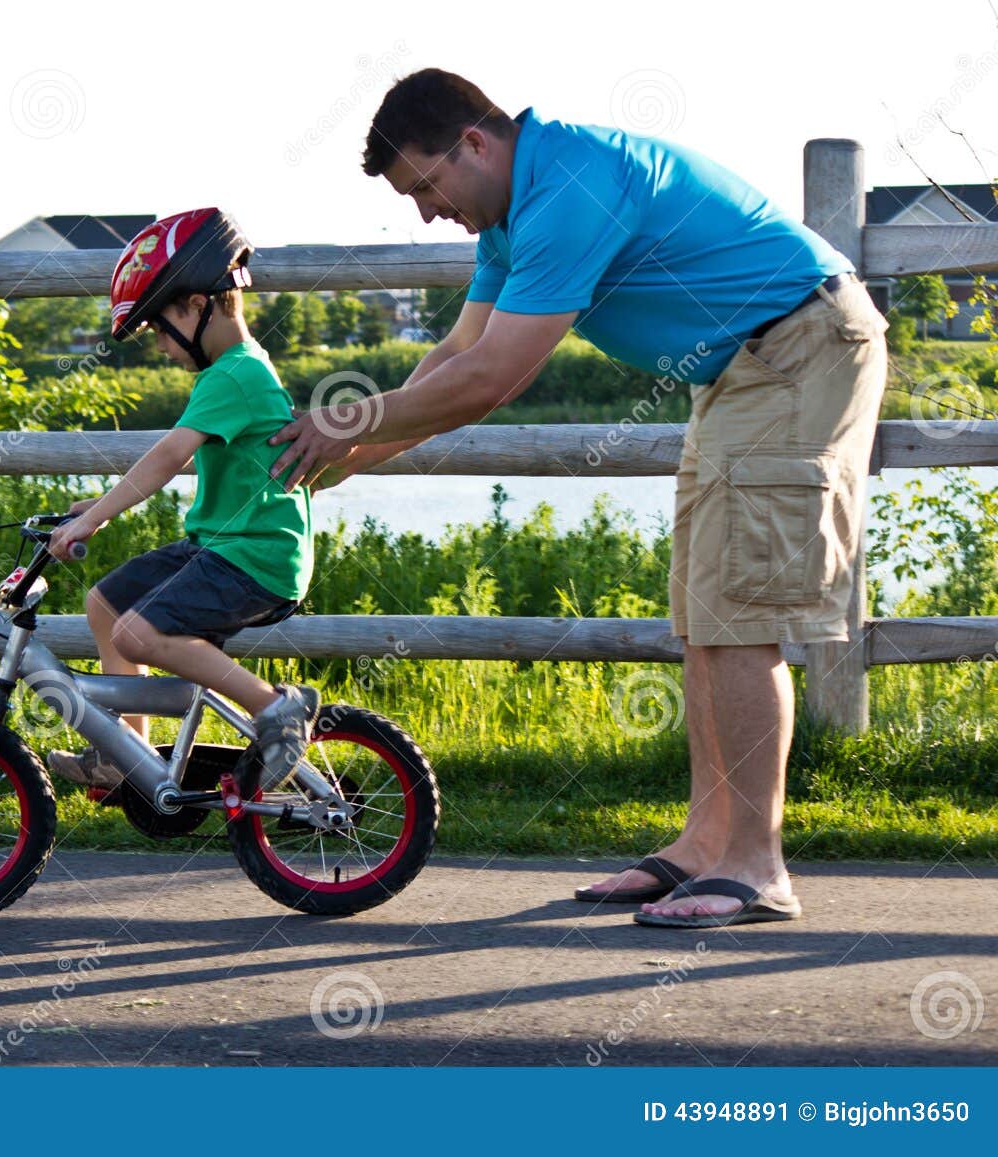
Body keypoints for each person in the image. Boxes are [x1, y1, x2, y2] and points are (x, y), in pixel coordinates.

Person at [268, 70, 887, 928]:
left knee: (740, 616)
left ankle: (759, 864)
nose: (424, 212)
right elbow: (455, 355)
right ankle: (704, 846)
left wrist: (349, 423)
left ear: (474, 143)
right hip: (740, 368)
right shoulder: (511, 213)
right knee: (702, 614)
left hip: (799, 348)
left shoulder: (570, 187)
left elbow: (492, 380)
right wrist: (356, 452)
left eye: (424, 186)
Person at [46, 208, 320, 793]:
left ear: (196, 305)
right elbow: (186, 461)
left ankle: (278, 709)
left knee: (137, 635)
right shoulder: (229, 374)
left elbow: (168, 457)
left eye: (158, 326)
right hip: (223, 548)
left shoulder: (235, 373)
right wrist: (96, 504)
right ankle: (128, 754)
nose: (160, 347)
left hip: (256, 558)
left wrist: (93, 520)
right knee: (105, 605)